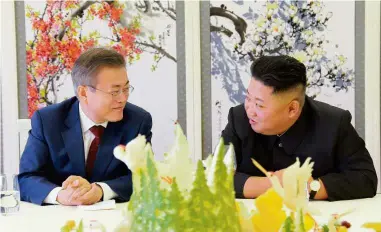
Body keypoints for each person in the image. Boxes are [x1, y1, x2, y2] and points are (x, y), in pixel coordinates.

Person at [221, 55, 378, 201]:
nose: (249, 109)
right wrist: (275, 186)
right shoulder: (238, 118)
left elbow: (365, 179)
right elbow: (216, 175)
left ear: (292, 109)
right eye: (248, 98)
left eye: (259, 104)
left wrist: (311, 188)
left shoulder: (334, 123)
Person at [19, 47, 152, 205]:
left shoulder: (138, 121)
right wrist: (61, 195)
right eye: (115, 92)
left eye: (126, 89)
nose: (123, 98)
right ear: (83, 93)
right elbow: (27, 178)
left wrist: (101, 190)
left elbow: (144, 177)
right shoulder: (48, 120)